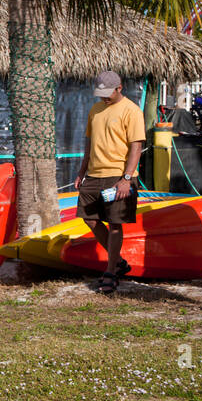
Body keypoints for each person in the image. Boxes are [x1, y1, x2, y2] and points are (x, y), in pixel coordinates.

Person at [74, 70, 146, 294]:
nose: (103, 97)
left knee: (115, 223)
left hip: (118, 175)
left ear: (119, 88)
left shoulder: (132, 111)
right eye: (100, 93)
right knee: (89, 219)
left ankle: (111, 271)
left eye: (108, 93)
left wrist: (126, 178)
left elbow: (136, 146)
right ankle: (120, 262)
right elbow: (89, 143)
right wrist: (81, 172)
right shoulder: (95, 109)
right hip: (94, 174)